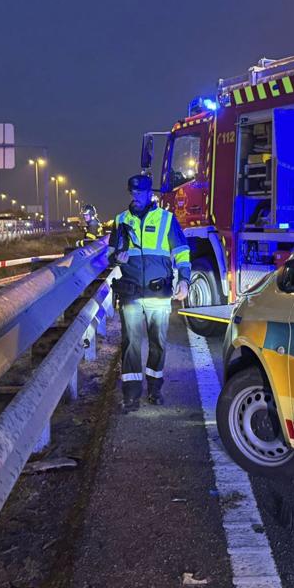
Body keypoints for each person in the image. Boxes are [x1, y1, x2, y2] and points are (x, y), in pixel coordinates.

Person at [110, 173, 190, 411]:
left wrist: (184, 281)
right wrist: (116, 258)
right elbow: (110, 255)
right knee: (131, 344)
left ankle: (155, 389)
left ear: (148, 194)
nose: (135, 197)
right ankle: (131, 396)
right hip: (131, 293)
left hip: (159, 293)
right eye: (132, 193)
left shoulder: (167, 219)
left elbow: (182, 252)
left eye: (139, 193)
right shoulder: (121, 220)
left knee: (158, 343)